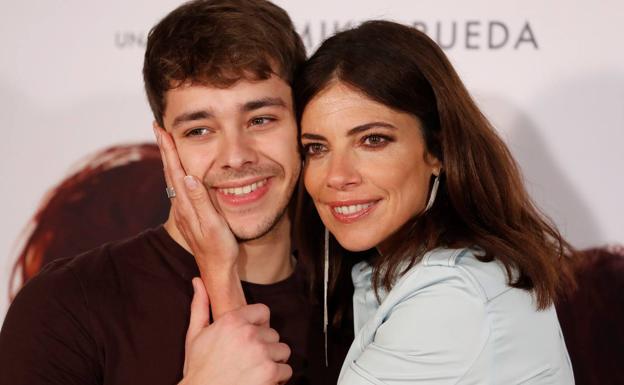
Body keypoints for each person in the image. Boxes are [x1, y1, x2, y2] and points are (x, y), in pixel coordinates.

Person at [0, 1, 352, 384]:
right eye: (199, 130)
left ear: (302, 122)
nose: (236, 156)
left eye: (261, 119)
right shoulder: (65, 304)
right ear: (164, 142)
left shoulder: (359, 301)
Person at [292, 20, 577, 384]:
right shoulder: (404, 273)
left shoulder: (453, 297)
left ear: (438, 150)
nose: (337, 175)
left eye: (373, 140)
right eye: (316, 148)